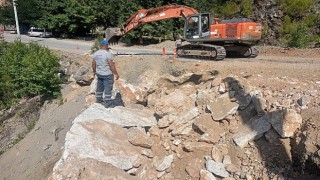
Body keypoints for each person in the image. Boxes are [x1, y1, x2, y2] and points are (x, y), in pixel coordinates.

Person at [92, 39, 119, 108]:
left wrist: (94, 71)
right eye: (107, 45)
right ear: (106, 45)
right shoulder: (107, 54)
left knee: (99, 87)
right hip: (107, 74)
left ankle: (99, 100)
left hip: (99, 74)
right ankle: (108, 104)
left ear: (100, 45)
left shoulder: (96, 53)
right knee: (108, 88)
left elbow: (93, 64)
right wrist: (116, 73)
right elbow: (111, 65)